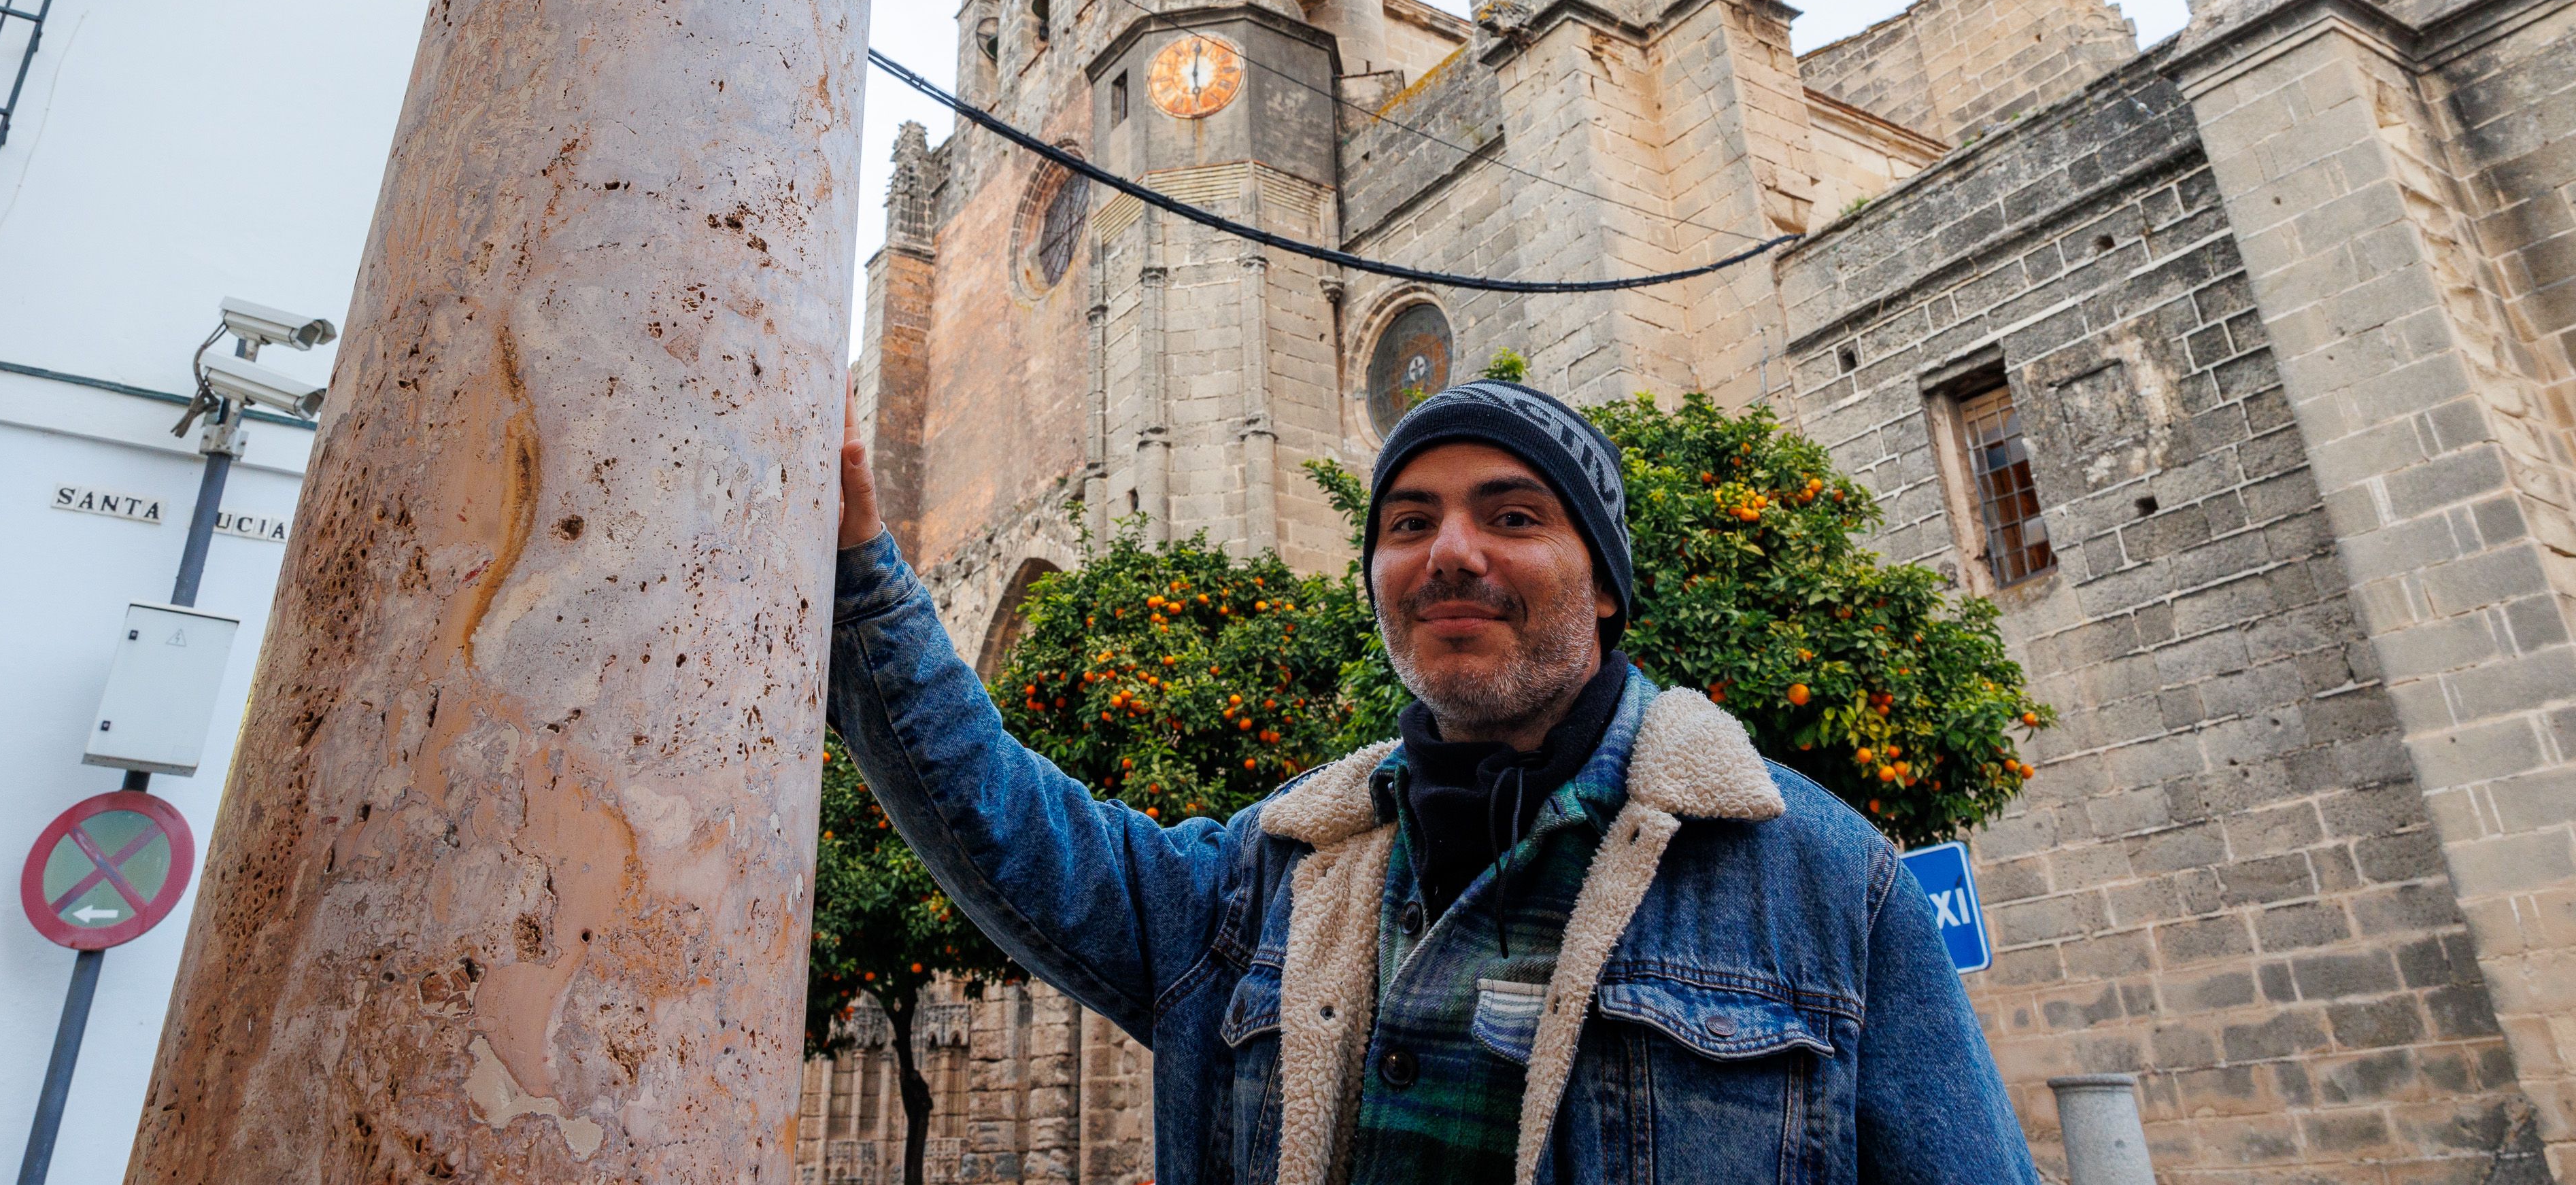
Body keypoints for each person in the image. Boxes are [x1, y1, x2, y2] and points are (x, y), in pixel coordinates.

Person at [826, 377, 2038, 1185]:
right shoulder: (1269, 881)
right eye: (1407, 524)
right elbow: (999, 822)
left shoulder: (1827, 881)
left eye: (1511, 515)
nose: (1450, 553)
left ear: (1605, 585)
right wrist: (857, 570)